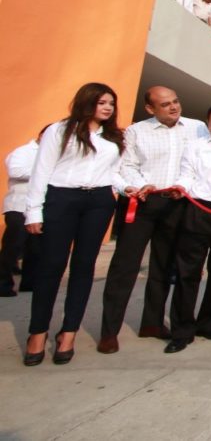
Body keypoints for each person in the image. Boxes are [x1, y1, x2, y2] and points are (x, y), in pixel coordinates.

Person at [98, 86, 207, 355]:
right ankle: (109, 332)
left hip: (177, 203)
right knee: (125, 265)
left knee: (163, 266)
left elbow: (199, 165)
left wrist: (181, 186)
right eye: (165, 104)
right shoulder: (136, 131)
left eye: (176, 101)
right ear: (150, 108)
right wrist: (139, 186)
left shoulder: (197, 128)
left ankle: (152, 323)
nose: (173, 107)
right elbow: (126, 166)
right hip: (144, 202)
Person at [22, 83, 125, 366]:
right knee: (51, 267)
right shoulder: (60, 130)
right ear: (86, 102)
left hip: (100, 201)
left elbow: (115, 174)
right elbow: (41, 171)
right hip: (62, 198)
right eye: (102, 102)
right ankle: (37, 332)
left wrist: (134, 188)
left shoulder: (114, 137)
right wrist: (33, 211)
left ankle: (68, 333)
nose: (107, 108)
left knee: (84, 267)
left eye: (111, 103)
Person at [164, 103, 211, 353]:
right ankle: (181, 330)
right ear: (208, 126)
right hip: (199, 210)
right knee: (188, 272)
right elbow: (187, 174)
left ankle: (208, 322)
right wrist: (180, 187)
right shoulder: (195, 147)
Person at [1, 131, 42, 297]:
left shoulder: (56, 155)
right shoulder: (23, 152)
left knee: (35, 247)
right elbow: (15, 171)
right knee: (13, 246)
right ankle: (3, 283)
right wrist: (42, 172)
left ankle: (29, 283)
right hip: (18, 205)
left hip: (39, 207)